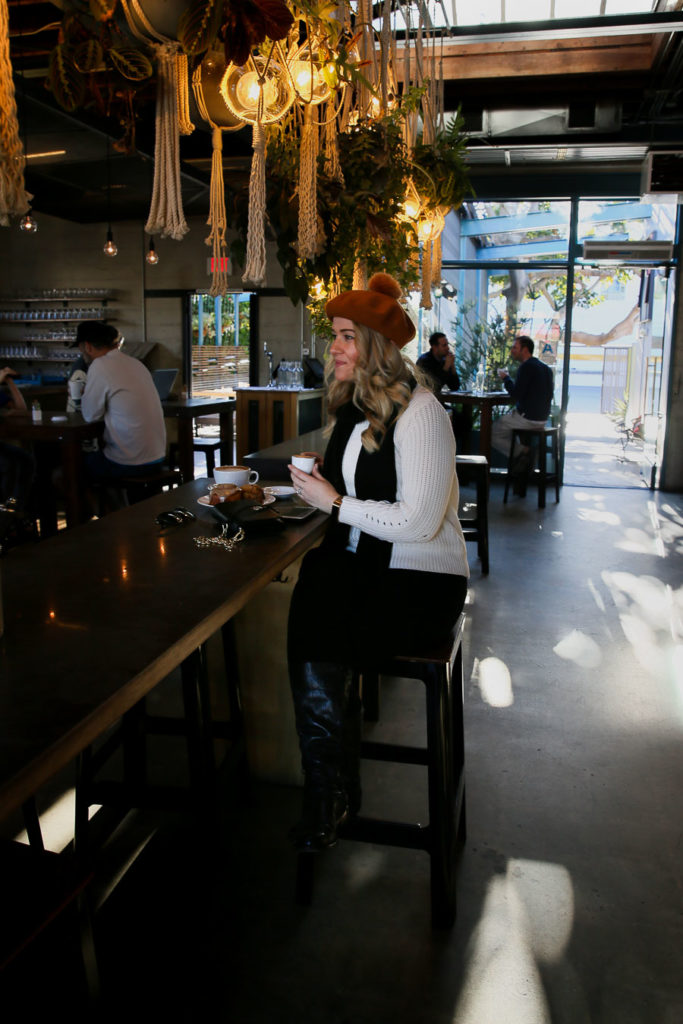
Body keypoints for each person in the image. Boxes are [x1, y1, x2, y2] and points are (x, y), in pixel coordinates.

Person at [286, 273, 469, 853]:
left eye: (345, 336)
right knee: (317, 586)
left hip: (424, 582)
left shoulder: (422, 413)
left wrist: (335, 502)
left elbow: (416, 521)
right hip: (369, 572)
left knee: (316, 600)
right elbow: (352, 500)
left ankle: (330, 790)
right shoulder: (354, 412)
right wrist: (318, 482)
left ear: (376, 347)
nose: (333, 348)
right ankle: (331, 786)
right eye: (334, 336)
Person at [78, 321, 167, 484]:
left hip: (130, 462)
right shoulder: (136, 363)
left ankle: (105, 510)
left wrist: (84, 394)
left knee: (71, 471)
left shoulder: (100, 365)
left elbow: (90, 415)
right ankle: (118, 507)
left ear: (87, 346)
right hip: (157, 458)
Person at [491, 335, 554, 472]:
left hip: (527, 419)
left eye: (515, 347)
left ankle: (523, 451)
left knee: (491, 433)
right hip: (542, 420)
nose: (512, 350)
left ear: (525, 350)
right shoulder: (545, 368)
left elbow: (516, 395)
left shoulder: (526, 367)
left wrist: (505, 378)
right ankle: (522, 461)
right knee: (508, 428)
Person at [417, 332, 471, 450]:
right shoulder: (425, 361)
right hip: (424, 405)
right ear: (435, 347)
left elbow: (454, 386)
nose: (447, 348)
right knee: (453, 420)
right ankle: (444, 449)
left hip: (438, 403)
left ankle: (458, 456)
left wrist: (452, 368)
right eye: (444, 345)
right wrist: (446, 367)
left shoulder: (443, 361)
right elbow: (433, 387)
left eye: (447, 345)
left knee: (464, 421)